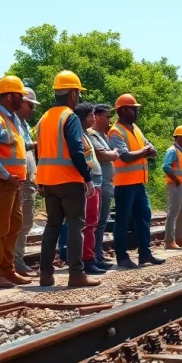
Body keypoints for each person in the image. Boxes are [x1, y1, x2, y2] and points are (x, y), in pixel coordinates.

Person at [34, 70, 99, 288]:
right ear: (72, 93)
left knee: (52, 226)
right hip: (69, 180)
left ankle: (45, 275)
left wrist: (41, 180)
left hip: (48, 181)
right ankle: (76, 274)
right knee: (75, 226)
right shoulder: (69, 117)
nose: (78, 97)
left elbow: (39, 151)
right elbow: (76, 150)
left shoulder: (44, 118)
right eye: (78, 93)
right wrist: (87, 177)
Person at [0, 76, 32, 288]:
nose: (23, 99)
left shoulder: (12, 120)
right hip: (2, 182)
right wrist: (4, 174)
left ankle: (7, 269)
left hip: (13, 182)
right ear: (9, 96)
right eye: (20, 96)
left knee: (15, 224)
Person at [109, 94, 164, 268]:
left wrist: (146, 151)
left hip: (138, 184)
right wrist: (144, 151)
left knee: (144, 216)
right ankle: (122, 257)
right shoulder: (116, 132)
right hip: (124, 184)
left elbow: (152, 150)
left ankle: (145, 254)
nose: (137, 111)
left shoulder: (136, 129)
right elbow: (125, 156)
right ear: (123, 110)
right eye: (134, 108)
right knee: (122, 221)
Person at [75, 102, 106, 274]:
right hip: (89, 184)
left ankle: (91, 257)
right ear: (83, 117)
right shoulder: (78, 135)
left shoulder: (85, 134)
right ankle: (87, 260)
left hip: (95, 182)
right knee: (88, 224)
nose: (94, 118)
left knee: (92, 223)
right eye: (91, 115)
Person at [12, 87, 40, 277]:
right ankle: (16, 262)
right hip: (20, 181)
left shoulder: (24, 126)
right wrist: (36, 145)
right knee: (21, 224)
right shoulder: (13, 123)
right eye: (30, 105)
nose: (32, 109)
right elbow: (17, 147)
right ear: (20, 103)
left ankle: (16, 261)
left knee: (26, 223)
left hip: (28, 181)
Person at [87, 103, 118, 269]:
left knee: (101, 222)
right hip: (100, 183)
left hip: (106, 182)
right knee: (97, 222)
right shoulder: (91, 134)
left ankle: (97, 255)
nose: (109, 120)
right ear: (97, 117)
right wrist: (113, 154)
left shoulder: (102, 135)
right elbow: (103, 155)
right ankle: (94, 257)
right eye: (107, 116)